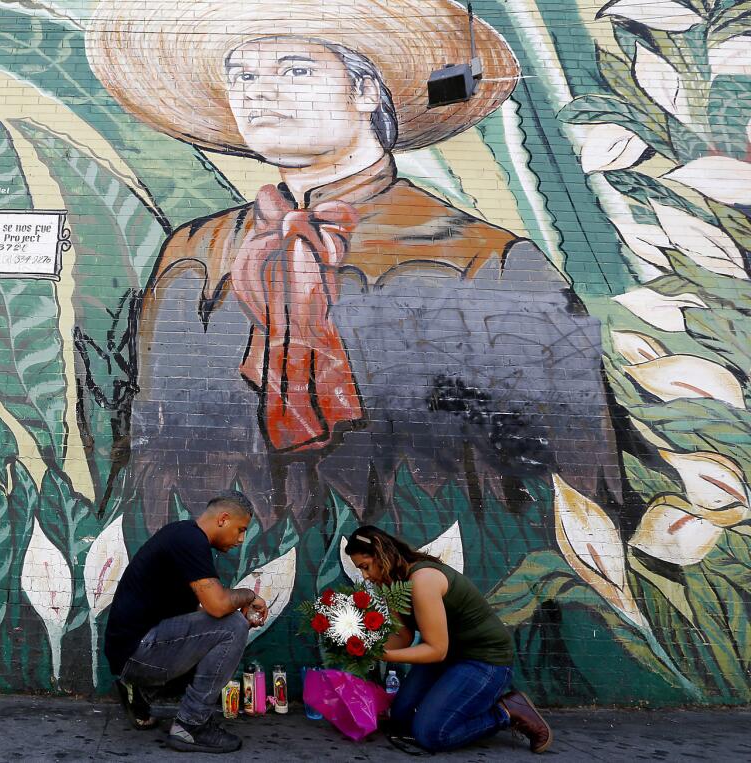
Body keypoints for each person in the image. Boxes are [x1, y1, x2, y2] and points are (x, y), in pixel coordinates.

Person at [88, 0, 623, 535]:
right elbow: (150, 452)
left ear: (367, 91)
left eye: (294, 70)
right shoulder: (194, 251)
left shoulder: (482, 258)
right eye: (243, 75)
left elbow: (574, 479)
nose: (258, 92)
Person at [345, 525, 552, 753]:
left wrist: (385, 654)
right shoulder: (392, 584)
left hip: (484, 660)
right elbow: (402, 636)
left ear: (381, 554)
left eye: (365, 567)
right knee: (401, 717)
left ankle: (506, 711)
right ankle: (449, 706)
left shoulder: (423, 580)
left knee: (432, 735)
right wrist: (366, 647)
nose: (365, 576)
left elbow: (436, 650)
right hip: (450, 657)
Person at [104, 491, 269, 754]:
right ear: (223, 519)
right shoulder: (190, 540)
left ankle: (141, 692)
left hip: (131, 651)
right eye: (240, 529)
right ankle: (191, 726)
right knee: (233, 626)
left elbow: (203, 617)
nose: (240, 539)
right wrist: (248, 596)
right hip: (138, 650)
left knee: (232, 626)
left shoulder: (184, 536)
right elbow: (216, 606)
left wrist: (235, 616)